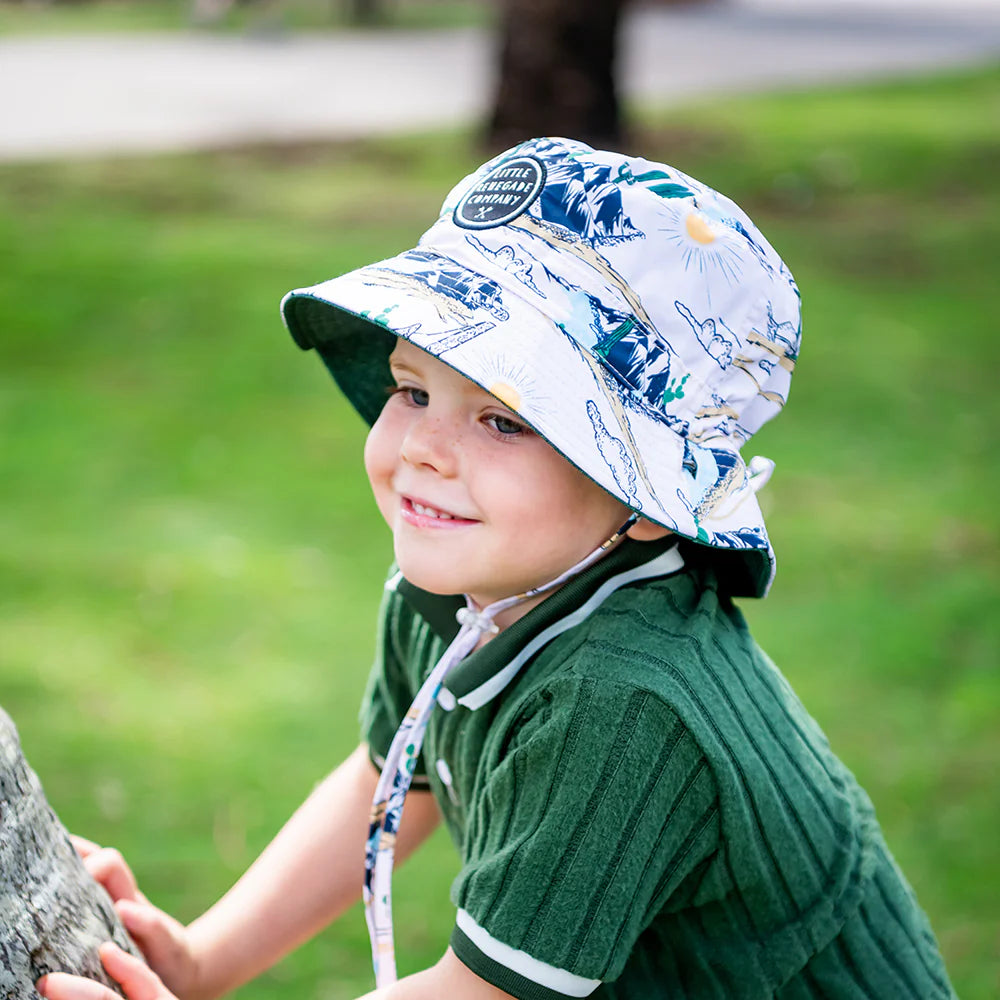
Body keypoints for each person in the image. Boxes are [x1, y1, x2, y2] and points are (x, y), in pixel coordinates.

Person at [37, 137, 955, 1000]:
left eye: (506, 418)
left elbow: (475, 993)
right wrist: (202, 961)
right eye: (413, 389)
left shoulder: (627, 706)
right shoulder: (456, 595)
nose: (424, 449)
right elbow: (386, 781)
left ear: (643, 498)